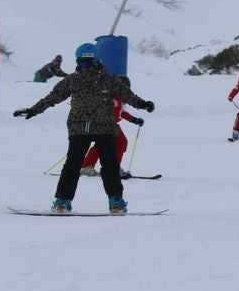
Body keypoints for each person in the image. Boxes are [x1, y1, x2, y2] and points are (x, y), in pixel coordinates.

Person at [13, 42, 154, 214]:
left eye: (86, 62)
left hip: (104, 127)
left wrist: (143, 104)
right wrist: (33, 110)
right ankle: (62, 201)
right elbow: (53, 97)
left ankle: (116, 201)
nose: (83, 66)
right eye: (80, 62)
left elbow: (127, 95)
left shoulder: (109, 80)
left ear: (96, 61)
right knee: (72, 164)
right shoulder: (73, 80)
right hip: (79, 128)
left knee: (109, 164)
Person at [80, 97, 143, 178]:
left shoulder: (120, 100)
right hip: (102, 124)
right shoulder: (109, 95)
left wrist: (135, 120)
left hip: (112, 125)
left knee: (121, 143)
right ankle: (87, 167)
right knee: (102, 144)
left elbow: (122, 113)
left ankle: (114, 167)